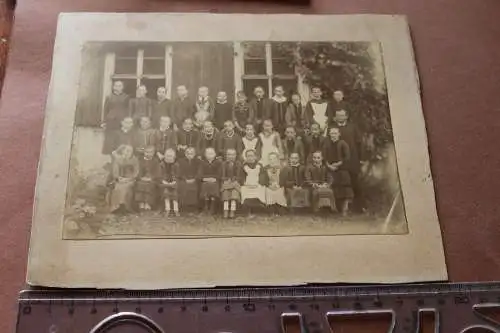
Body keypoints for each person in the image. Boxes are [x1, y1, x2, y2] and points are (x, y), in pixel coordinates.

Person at [332, 109, 365, 213]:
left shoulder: (353, 127)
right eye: (338, 115)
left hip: (352, 160)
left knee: (355, 183)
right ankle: (338, 208)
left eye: (342, 115)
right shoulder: (332, 128)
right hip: (337, 161)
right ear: (335, 117)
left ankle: (360, 207)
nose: (340, 117)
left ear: (346, 116)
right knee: (338, 183)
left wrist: (361, 158)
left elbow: (359, 143)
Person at [322, 126, 354, 216]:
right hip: (331, 169)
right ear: (329, 134)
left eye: (335, 133)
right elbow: (324, 158)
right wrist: (329, 166)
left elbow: (347, 157)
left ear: (339, 134)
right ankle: (334, 208)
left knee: (345, 189)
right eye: (332, 133)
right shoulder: (326, 144)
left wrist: (337, 164)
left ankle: (345, 209)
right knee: (333, 188)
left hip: (342, 169)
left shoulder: (343, 144)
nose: (333, 135)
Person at [109, 144, 139, 214]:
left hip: (130, 179)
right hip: (120, 179)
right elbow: (115, 171)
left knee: (127, 187)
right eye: (126, 151)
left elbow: (136, 171)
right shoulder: (118, 159)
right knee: (117, 187)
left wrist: (130, 178)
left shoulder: (134, 159)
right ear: (123, 151)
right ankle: (116, 207)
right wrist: (118, 178)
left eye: (130, 151)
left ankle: (126, 207)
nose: (127, 153)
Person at [102, 80, 130, 154]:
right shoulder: (109, 97)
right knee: (110, 141)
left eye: (120, 86)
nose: (118, 87)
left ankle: (119, 161)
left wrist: (127, 122)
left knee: (120, 140)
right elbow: (105, 110)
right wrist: (104, 122)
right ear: (113, 87)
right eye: (116, 85)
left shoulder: (126, 97)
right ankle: (112, 161)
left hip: (121, 121)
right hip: (111, 122)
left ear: (123, 87)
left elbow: (128, 110)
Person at [241, 149, 266, 216]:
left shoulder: (259, 165)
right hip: (247, 185)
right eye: (248, 156)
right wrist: (245, 183)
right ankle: (248, 210)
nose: (250, 158)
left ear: (255, 157)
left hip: (257, 184)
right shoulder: (243, 166)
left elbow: (262, 176)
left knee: (261, 189)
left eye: (252, 156)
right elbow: (241, 177)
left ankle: (257, 208)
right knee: (243, 190)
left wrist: (258, 183)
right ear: (246, 157)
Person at [135, 146, 160, 212]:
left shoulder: (155, 161)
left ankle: (147, 203)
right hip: (141, 178)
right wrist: (141, 177)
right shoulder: (140, 160)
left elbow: (157, 171)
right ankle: (141, 203)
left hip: (152, 179)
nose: (148, 154)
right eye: (147, 152)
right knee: (140, 184)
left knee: (150, 185)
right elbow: (137, 170)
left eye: (151, 152)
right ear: (144, 152)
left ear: (154, 153)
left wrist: (151, 178)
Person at [198, 147, 222, 214]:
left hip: (215, 181)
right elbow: (200, 175)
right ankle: (206, 206)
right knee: (205, 185)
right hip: (205, 181)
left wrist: (214, 178)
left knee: (214, 186)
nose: (210, 155)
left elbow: (219, 174)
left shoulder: (218, 163)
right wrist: (206, 179)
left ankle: (212, 206)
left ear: (215, 154)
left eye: (211, 153)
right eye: (208, 153)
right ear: (205, 155)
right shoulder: (202, 163)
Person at [221, 148, 243, 218]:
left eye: (233, 155)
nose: (231, 156)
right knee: (226, 193)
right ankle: (225, 210)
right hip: (226, 183)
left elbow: (239, 175)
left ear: (236, 155)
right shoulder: (223, 164)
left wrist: (234, 179)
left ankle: (232, 211)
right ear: (226, 155)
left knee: (234, 193)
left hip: (235, 183)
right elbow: (222, 175)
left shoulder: (238, 163)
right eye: (229, 154)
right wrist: (226, 179)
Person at [159, 148, 180, 217]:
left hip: (174, 182)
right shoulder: (162, 164)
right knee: (166, 192)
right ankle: (167, 209)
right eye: (167, 156)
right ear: (164, 156)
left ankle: (175, 209)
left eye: (171, 156)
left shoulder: (176, 165)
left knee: (174, 193)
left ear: (174, 157)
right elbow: (160, 174)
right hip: (164, 182)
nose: (169, 158)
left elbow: (178, 175)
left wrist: (174, 181)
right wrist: (163, 181)